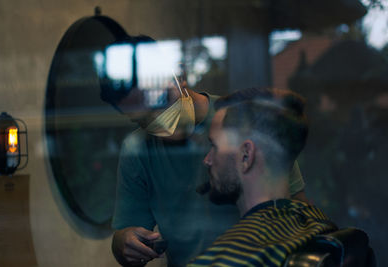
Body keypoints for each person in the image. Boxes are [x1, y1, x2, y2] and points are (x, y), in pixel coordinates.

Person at [101, 35, 308, 266]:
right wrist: (124, 242)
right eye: (141, 120)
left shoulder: (243, 120)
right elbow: (124, 241)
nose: (206, 161)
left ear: (179, 75)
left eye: (157, 102)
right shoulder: (138, 150)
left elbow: (295, 212)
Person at [188, 88, 337, 266]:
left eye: (215, 146)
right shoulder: (321, 226)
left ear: (246, 155)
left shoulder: (224, 261)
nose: (207, 160)